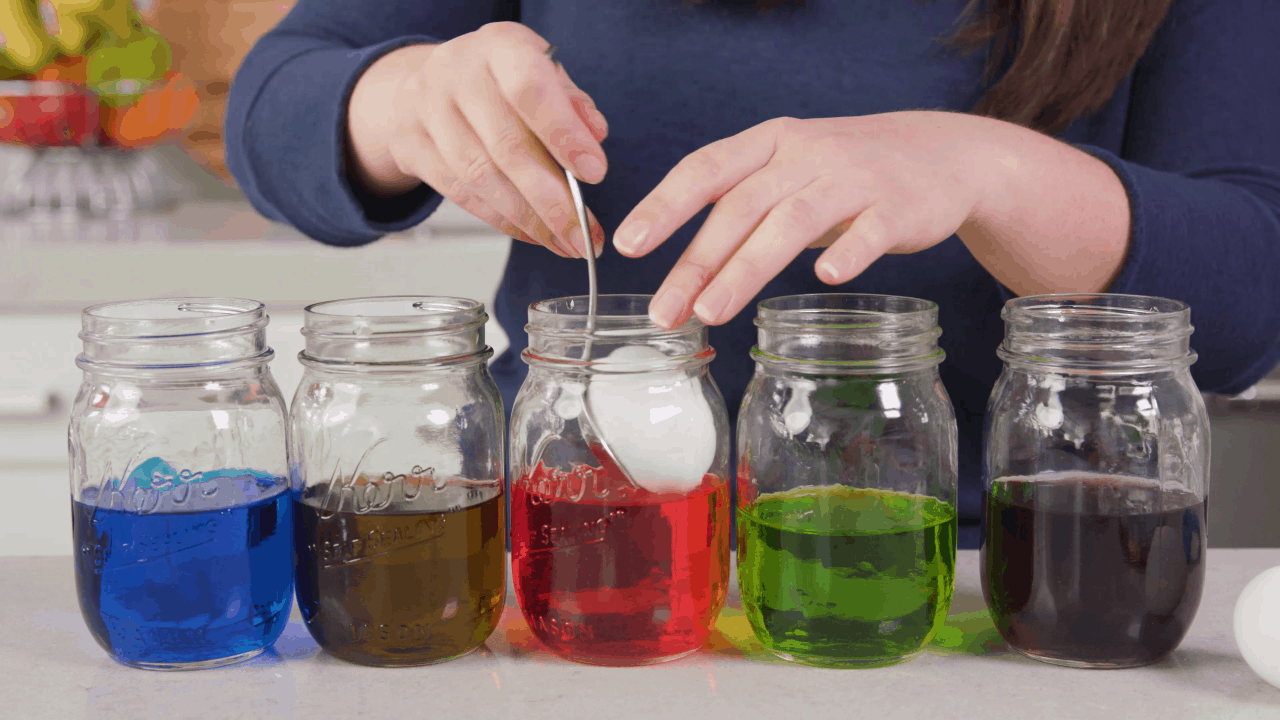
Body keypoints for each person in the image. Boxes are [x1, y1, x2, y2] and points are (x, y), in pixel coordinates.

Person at [226, 0, 1280, 548]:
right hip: (556, 547)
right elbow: (275, 98)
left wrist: (993, 169)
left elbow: (1246, 305)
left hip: (995, 581)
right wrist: (402, 97)